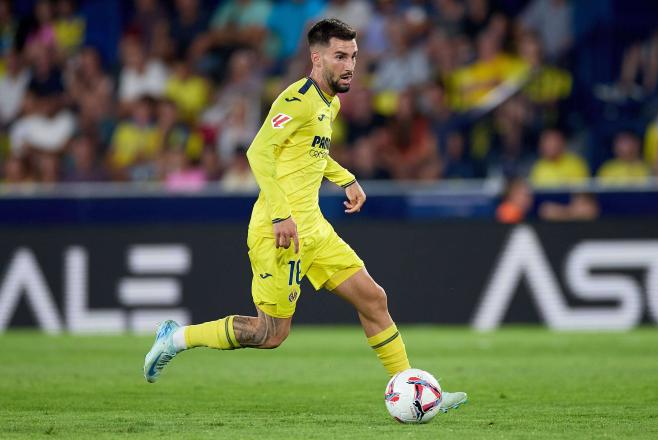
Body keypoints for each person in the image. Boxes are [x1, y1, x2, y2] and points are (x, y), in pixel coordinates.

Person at [143, 18, 467, 413]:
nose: (350, 65)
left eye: (354, 56)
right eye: (340, 56)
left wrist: (345, 178)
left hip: (312, 227)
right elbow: (259, 152)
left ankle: (414, 390)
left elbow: (310, 153)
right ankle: (176, 338)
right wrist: (281, 216)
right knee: (270, 333)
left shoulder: (331, 102)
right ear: (317, 58)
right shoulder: (295, 100)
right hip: (278, 231)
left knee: (373, 299)